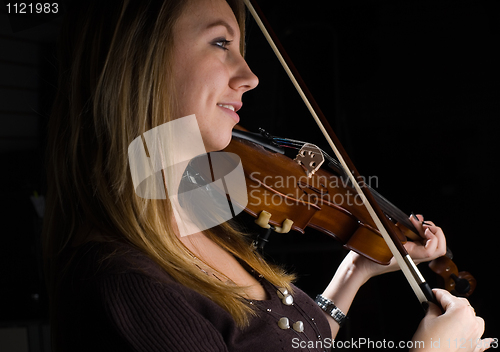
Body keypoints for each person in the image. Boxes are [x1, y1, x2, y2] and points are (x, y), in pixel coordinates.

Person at [42, 0, 491, 351]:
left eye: (243, 50)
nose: (250, 76)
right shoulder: (126, 285)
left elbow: (282, 343)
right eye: (221, 44)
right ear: (137, 57)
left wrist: (354, 272)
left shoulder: (196, 226)